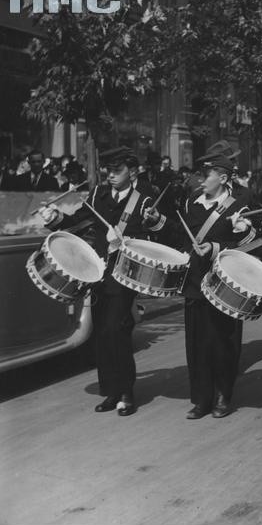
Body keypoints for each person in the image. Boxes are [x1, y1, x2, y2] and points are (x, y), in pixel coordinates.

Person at [40, 147, 165, 416]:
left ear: (132, 172)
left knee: (115, 330)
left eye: (116, 170)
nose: (110, 175)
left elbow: (155, 240)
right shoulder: (98, 194)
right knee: (101, 333)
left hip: (125, 274)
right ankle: (111, 391)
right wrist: (55, 219)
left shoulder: (144, 199)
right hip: (97, 273)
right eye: (107, 170)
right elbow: (77, 220)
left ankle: (127, 392)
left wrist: (130, 239)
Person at [157, 152, 257, 419]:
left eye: (206, 176)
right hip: (195, 282)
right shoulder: (193, 201)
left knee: (224, 341)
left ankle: (224, 395)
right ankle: (201, 399)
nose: (199, 180)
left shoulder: (242, 202)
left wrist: (217, 247)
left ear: (223, 178)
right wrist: (158, 222)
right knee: (198, 343)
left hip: (226, 282)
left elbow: (252, 243)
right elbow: (181, 233)